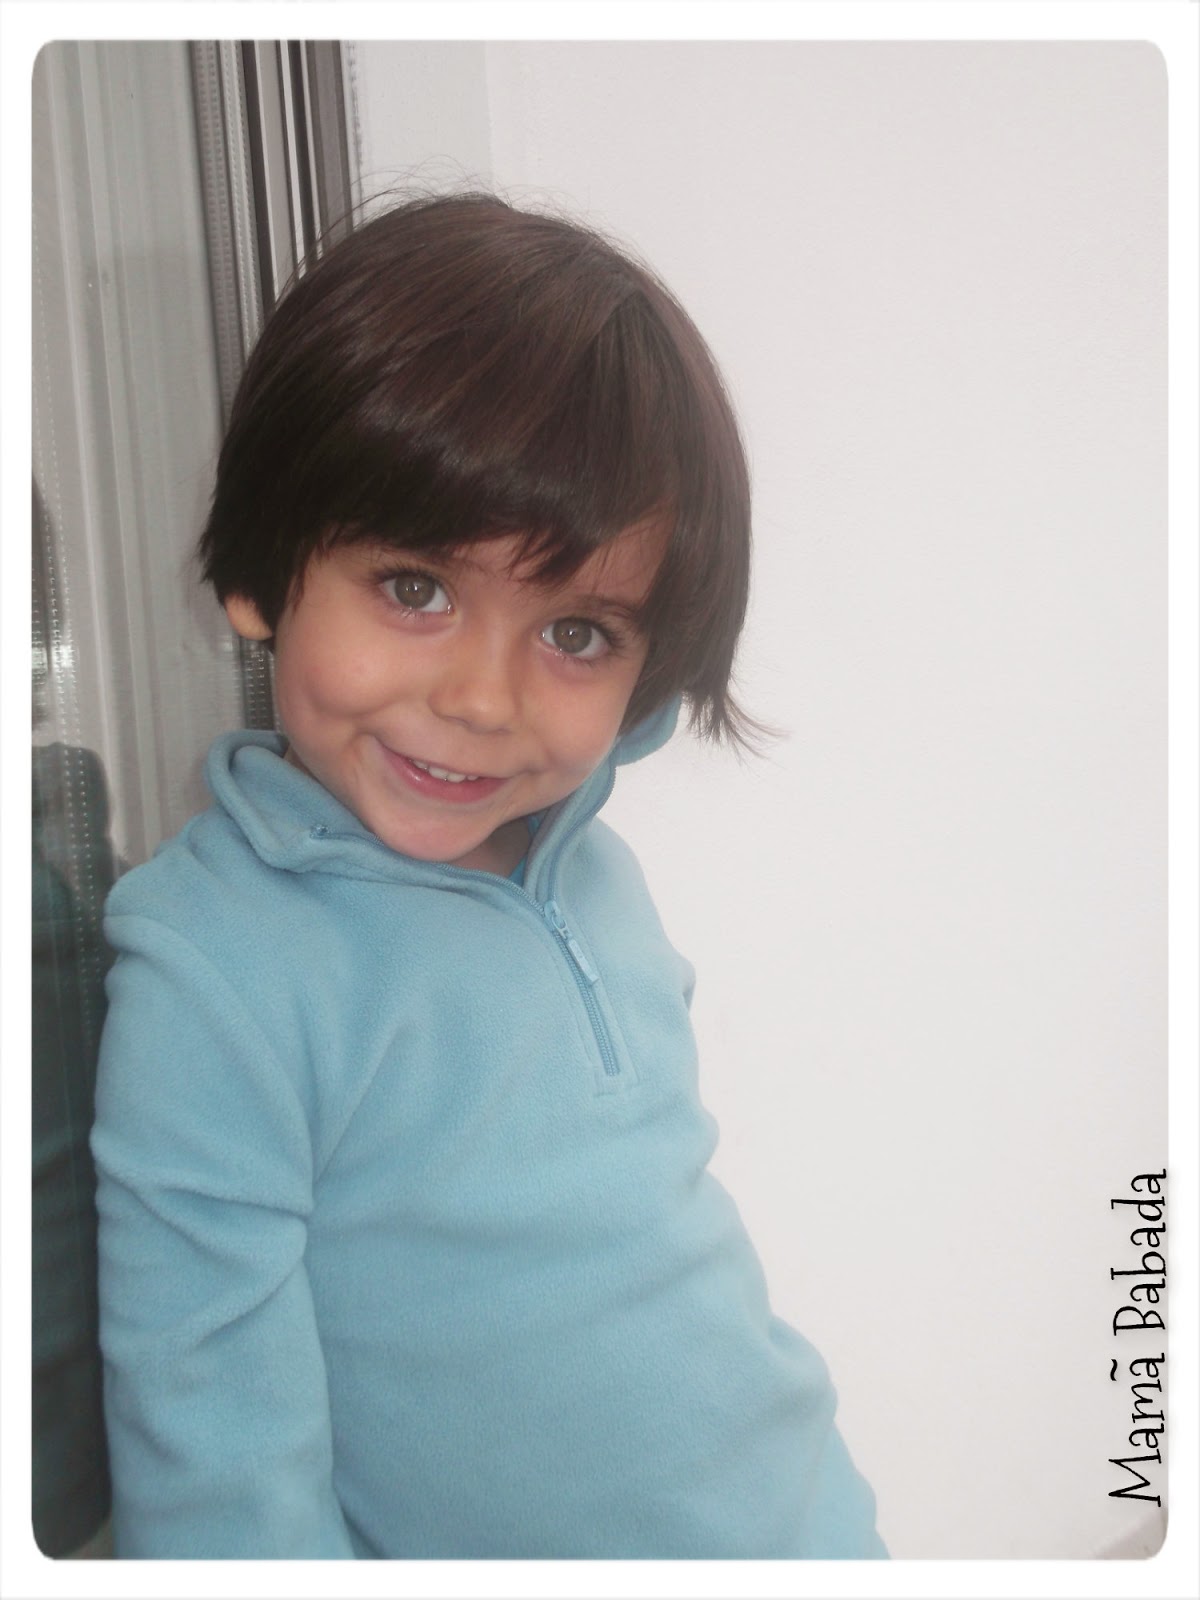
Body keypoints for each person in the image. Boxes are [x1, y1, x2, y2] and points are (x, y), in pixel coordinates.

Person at [91, 192, 886, 1559]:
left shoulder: (601, 876)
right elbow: (216, 1466)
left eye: (576, 633)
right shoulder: (215, 969)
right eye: (416, 589)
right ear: (264, 574)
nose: (480, 698)